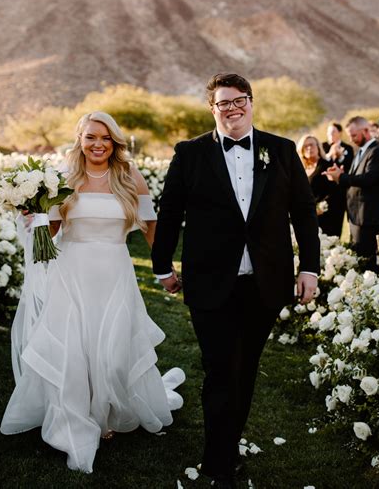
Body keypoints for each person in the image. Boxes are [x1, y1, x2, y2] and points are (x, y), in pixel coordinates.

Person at [151, 73, 320, 489]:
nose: (232, 108)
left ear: (251, 102)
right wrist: (162, 266)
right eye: (223, 103)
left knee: (244, 370)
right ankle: (219, 463)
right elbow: (170, 212)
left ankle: (225, 447)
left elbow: (303, 213)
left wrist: (310, 268)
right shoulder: (189, 153)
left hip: (265, 282)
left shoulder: (280, 150)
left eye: (239, 100)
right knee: (220, 369)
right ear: (212, 109)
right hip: (210, 282)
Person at [1, 111, 185, 473]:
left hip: (115, 273)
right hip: (70, 273)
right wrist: (33, 218)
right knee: (73, 350)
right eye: (90, 137)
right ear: (80, 140)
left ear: (114, 141)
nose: (98, 144)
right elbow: (50, 232)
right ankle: (75, 418)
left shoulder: (130, 176)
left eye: (105, 138)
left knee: (114, 351)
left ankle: (111, 410)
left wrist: (165, 269)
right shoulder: (63, 179)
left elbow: (151, 227)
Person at [324, 116, 379, 271]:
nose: (352, 140)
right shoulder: (361, 151)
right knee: (358, 260)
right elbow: (356, 178)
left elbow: (368, 179)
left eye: (354, 135)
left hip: (367, 217)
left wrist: (341, 177)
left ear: (366, 131)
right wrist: (340, 174)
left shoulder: (376, 152)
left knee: (367, 264)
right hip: (356, 217)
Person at [296, 134, 336, 235]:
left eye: (312, 145)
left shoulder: (327, 166)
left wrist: (320, 207)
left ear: (318, 147)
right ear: (301, 150)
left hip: (323, 217)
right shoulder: (300, 169)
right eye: (305, 146)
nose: (309, 148)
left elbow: (333, 191)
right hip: (303, 217)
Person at [322, 122, 353, 236]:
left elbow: (349, 167)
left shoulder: (348, 148)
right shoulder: (323, 146)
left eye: (333, 132)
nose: (330, 134)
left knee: (339, 221)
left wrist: (340, 158)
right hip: (326, 192)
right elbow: (321, 165)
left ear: (340, 133)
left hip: (341, 192)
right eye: (329, 132)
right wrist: (330, 155)